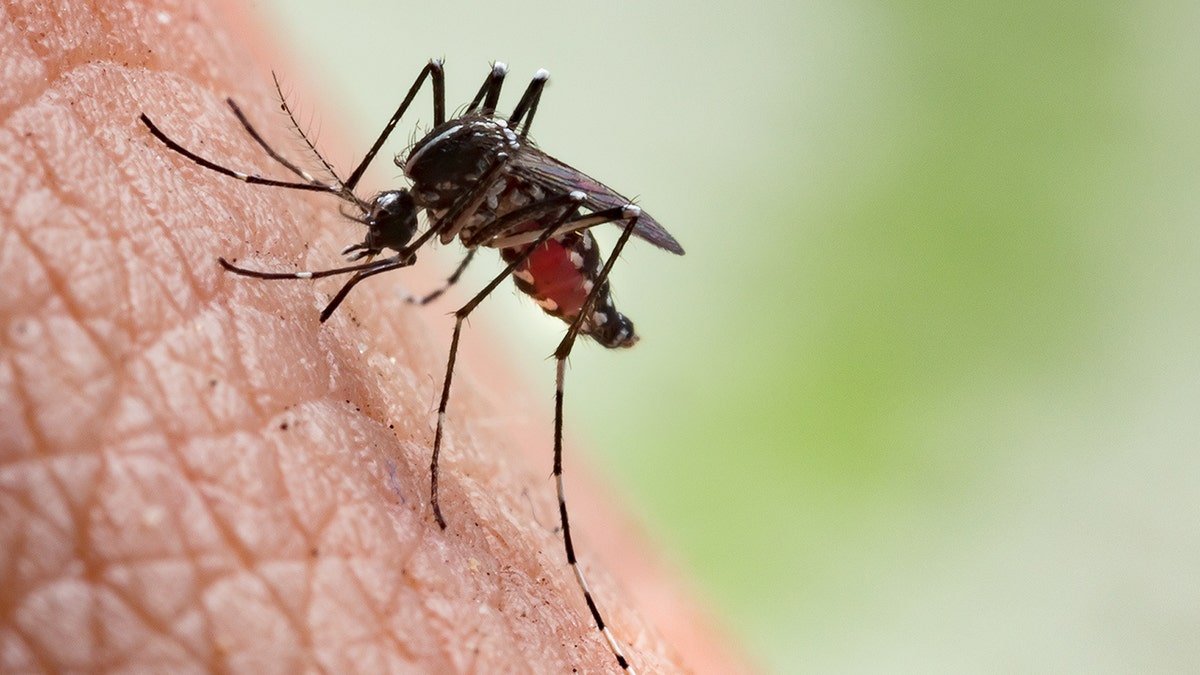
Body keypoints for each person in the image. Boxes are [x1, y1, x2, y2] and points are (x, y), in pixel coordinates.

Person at [0, 1, 747, 671]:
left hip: (561, 240)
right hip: (503, 199)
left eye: (387, 221)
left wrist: (460, 297)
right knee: (456, 85)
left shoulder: (448, 185)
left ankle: (556, 417)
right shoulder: (428, 177)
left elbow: (572, 199)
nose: (385, 233)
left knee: (522, 231)